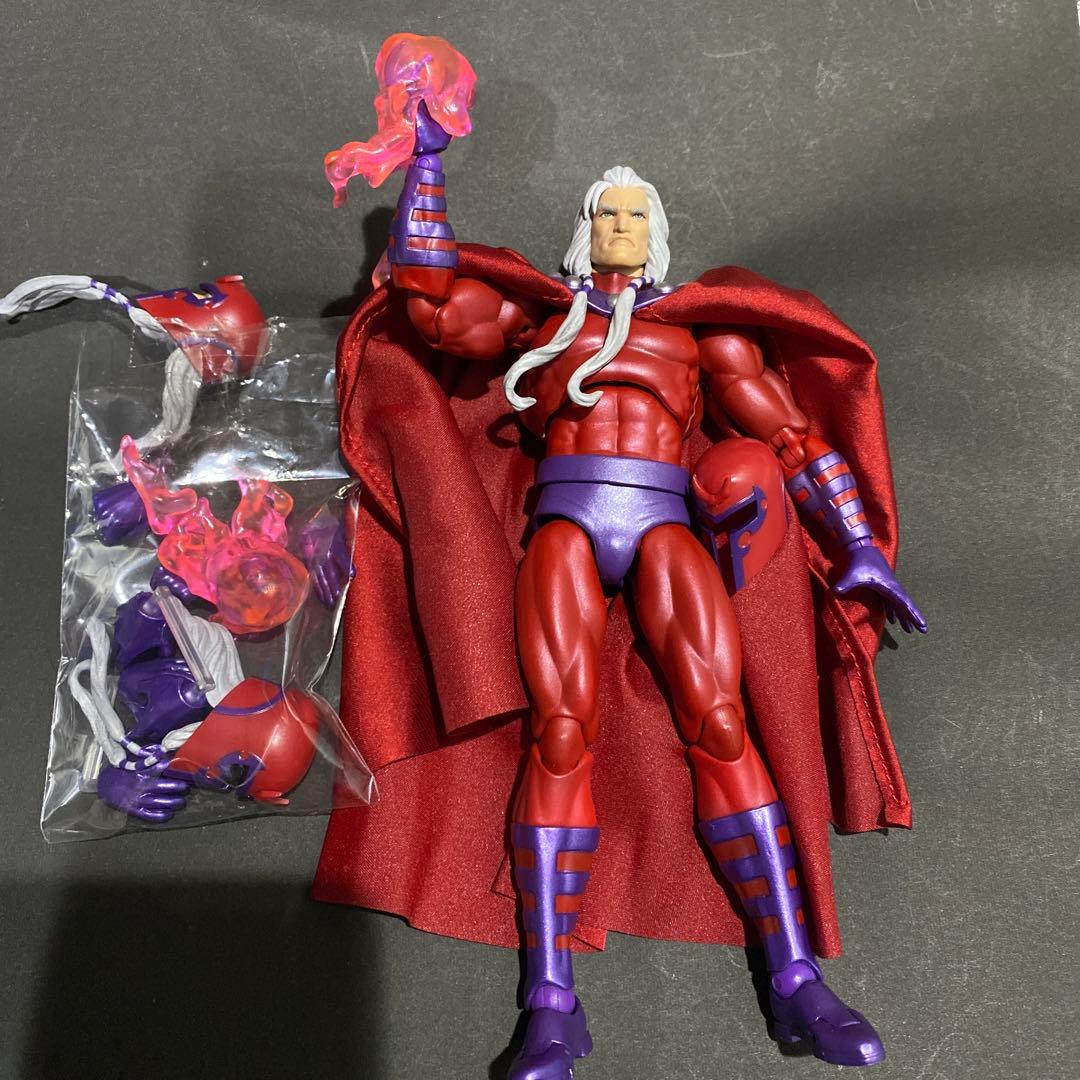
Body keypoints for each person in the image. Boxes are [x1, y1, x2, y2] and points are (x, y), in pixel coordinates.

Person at [322, 105, 926, 1078]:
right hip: (564, 524)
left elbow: (791, 437)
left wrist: (859, 543)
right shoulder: (542, 324)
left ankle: (795, 977)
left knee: (720, 724)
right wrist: (425, 163)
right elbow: (431, 302)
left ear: (658, 232)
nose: (620, 226)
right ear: (585, 227)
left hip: (663, 523)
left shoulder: (699, 335)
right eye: (607, 213)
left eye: (636, 214)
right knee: (560, 735)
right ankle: (550, 1005)